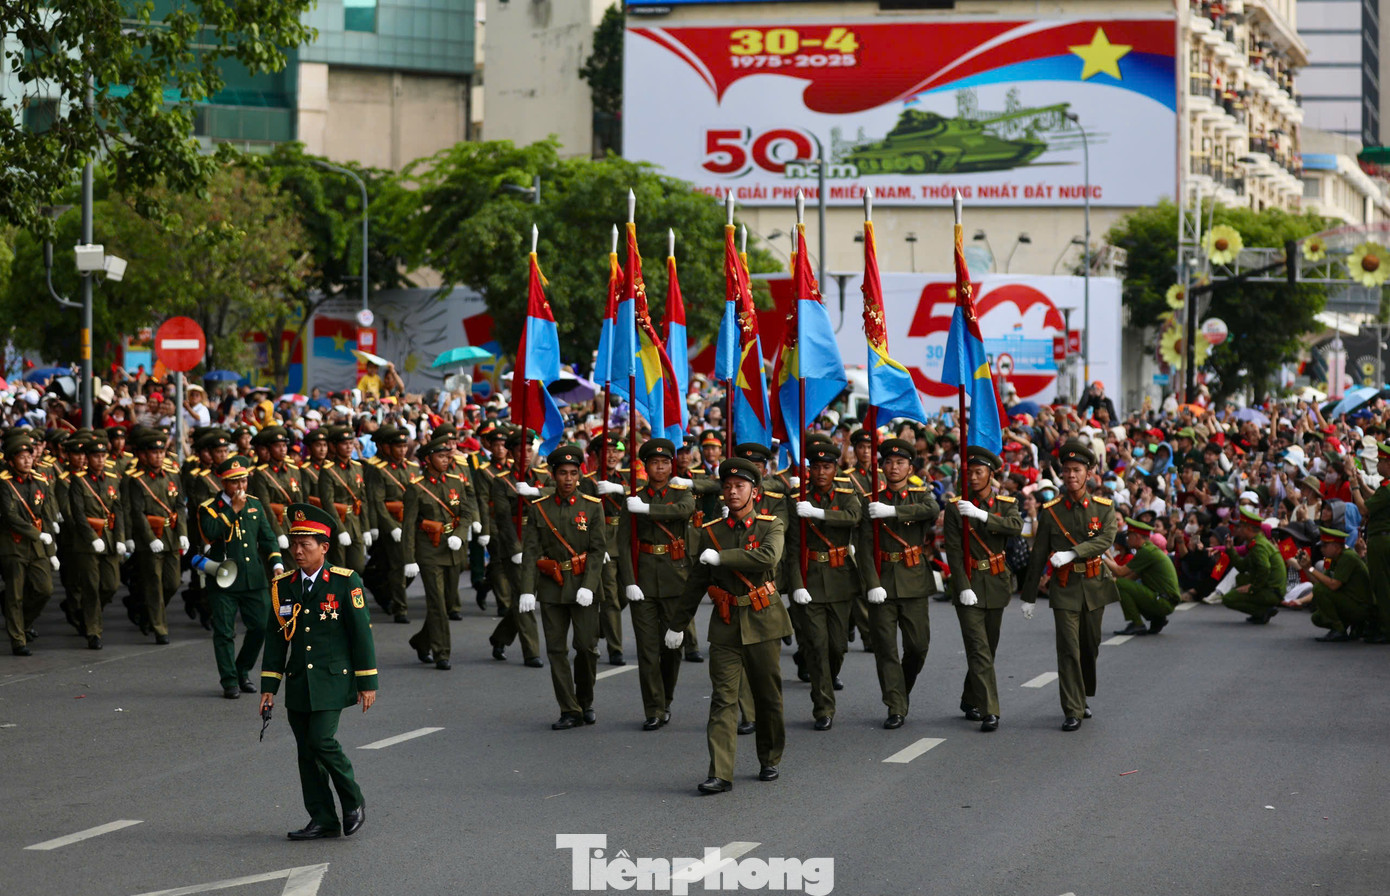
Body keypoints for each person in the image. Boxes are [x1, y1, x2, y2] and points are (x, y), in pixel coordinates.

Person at [665, 457, 792, 793]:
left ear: (755, 491)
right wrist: (678, 625)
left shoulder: (770, 525)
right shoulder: (711, 532)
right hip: (725, 624)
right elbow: (696, 582)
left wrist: (723, 558)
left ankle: (769, 757)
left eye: (740, 486)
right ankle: (721, 772)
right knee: (723, 699)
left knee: (767, 698)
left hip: (763, 621)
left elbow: (768, 557)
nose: (733, 491)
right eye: (728, 486)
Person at [259, 502, 377, 841]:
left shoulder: (344, 582)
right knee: (306, 753)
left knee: (322, 740)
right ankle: (323, 817)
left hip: (332, 679)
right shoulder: (283, 585)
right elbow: (277, 637)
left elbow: (361, 634)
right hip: (299, 681)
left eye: (305, 544)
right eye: (294, 543)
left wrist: (367, 682)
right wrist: (270, 684)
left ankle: (353, 800)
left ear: (324, 547)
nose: (297, 551)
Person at [1020, 438, 1119, 732]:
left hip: (1094, 583)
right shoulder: (1052, 512)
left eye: (1077, 470)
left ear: (1089, 473)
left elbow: (1106, 539)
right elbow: (1038, 554)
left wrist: (1074, 552)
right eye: (1067, 470)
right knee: (1067, 649)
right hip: (1064, 588)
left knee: (1090, 646)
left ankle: (1083, 693)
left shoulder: (1103, 508)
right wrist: (1028, 596)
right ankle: (1072, 707)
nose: (1071, 475)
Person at [518, 444, 606, 729]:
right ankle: (569, 709)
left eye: (573, 473)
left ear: (579, 475)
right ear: (553, 475)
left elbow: (597, 550)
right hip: (552, 586)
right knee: (556, 650)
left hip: (583, 586)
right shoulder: (540, 508)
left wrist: (589, 586)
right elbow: (531, 551)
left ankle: (586, 700)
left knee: (586, 648)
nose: (568, 479)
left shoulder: (592, 507)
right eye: (562, 473)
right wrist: (527, 590)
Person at [859, 438, 940, 730]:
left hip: (913, 579)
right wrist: (871, 583)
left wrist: (892, 512)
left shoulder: (920, 495)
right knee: (885, 648)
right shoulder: (870, 500)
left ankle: (900, 689)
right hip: (882, 579)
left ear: (910, 467)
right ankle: (895, 704)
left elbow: (931, 510)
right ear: (881, 466)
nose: (894, 467)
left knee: (918, 646)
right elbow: (864, 547)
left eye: (900, 462)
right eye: (889, 462)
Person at [616, 437, 695, 730]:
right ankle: (654, 708)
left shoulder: (680, 493)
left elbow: (683, 511)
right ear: (645, 466)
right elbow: (623, 543)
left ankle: (667, 698)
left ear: (671, 466)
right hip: (644, 579)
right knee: (648, 649)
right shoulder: (633, 498)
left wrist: (646, 510)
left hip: (676, 578)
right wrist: (629, 580)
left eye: (664, 463)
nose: (659, 467)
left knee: (671, 647)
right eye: (654, 463)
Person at [943, 446, 1023, 733]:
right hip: (970, 582)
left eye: (979, 472)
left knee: (988, 648)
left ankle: (970, 697)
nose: (973, 477)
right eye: (969, 472)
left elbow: (1016, 526)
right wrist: (962, 585)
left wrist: (981, 515)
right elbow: (953, 549)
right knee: (978, 649)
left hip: (997, 581)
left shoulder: (1005, 503)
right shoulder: (955, 507)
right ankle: (990, 710)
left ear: (992, 474)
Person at [786, 442, 862, 731]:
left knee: (837, 647)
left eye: (827, 467)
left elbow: (854, 517)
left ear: (835, 469)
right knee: (817, 645)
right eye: (815, 467)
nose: (820, 472)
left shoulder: (845, 495)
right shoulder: (797, 498)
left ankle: (826, 682)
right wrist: (796, 584)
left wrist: (818, 514)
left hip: (840, 577)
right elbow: (792, 548)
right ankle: (823, 706)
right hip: (810, 578)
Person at [199, 455, 284, 698]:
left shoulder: (255, 504)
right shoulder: (209, 508)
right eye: (235, 482)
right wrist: (232, 510)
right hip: (223, 578)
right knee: (225, 631)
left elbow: (267, 537)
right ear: (223, 483)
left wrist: (276, 561)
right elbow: (210, 533)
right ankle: (229, 681)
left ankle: (241, 670)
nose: (240, 486)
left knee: (260, 627)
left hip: (253, 578)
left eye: (244, 481)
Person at [402, 436, 477, 670]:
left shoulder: (456, 482)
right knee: (437, 603)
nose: (446, 460)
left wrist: (460, 534)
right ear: (427, 460)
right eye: (441, 456)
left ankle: (421, 642)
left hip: (453, 548)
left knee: (445, 601)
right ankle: (442, 652)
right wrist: (409, 558)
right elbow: (409, 526)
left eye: (447, 456)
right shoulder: (416, 488)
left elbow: (466, 514)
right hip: (429, 551)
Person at [125, 430, 188, 645]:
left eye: (162, 452)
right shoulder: (137, 480)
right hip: (149, 540)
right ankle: (160, 628)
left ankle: (145, 611)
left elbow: (179, 504)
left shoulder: (172, 475)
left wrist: (182, 533)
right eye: (154, 452)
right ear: (143, 455)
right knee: (154, 583)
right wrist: (150, 538)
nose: (159, 456)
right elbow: (137, 512)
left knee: (172, 582)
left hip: (170, 536)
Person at [0, 432, 58, 655]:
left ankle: (22, 624)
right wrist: (36, 534)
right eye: (21, 457)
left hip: (37, 546)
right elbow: (10, 515)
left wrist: (51, 550)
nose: (27, 460)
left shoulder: (41, 481)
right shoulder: (5, 484)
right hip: (13, 545)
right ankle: (18, 640)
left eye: (29, 456)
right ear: (11, 460)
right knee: (15, 594)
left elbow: (47, 515)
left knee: (44, 589)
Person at [68, 435, 127, 649]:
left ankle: (87, 612)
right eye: (96, 456)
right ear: (88, 458)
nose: (100, 460)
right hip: (88, 541)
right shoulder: (79, 480)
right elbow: (78, 514)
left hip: (109, 539)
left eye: (103, 456)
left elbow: (118, 510)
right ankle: (94, 632)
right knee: (92, 586)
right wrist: (92, 538)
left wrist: (120, 538)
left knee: (110, 585)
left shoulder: (112, 479)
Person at [1106, 517, 1180, 636]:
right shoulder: (1147, 550)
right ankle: (1157, 619)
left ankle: (1137, 624)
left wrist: (1100, 558)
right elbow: (1129, 578)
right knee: (1121, 584)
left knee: (1119, 584)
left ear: (1137, 537)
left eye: (1129, 536)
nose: (1127, 539)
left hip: (1163, 602)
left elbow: (1120, 572)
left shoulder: (1146, 552)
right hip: (1164, 600)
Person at [316, 426, 372, 574]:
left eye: (351, 443)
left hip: (355, 521)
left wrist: (366, 528)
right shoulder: (328, 470)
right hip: (337, 522)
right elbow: (327, 502)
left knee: (358, 566)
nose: (349, 447)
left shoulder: (358, 467)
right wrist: (340, 530)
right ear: (334, 446)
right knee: (338, 568)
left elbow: (363, 499)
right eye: (344, 443)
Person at [1349, 441, 1390, 642]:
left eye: (1382, 461)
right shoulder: (1386, 488)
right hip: (1382, 539)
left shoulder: (1388, 488)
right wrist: (1363, 485)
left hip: (1382, 541)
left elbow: (1365, 509)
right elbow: (1375, 498)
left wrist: (1354, 486)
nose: (1379, 465)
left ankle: (1386, 629)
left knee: (1382, 586)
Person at [1302, 526, 1373, 642]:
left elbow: (1333, 585)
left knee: (1320, 590)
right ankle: (1347, 625)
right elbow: (1320, 582)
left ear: (1336, 546)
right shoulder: (1338, 558)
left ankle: (1339, 629)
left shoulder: (1348, 557)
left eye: (1325, 546)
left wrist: (1311, 568)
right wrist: (1306, 567)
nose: (1321, 549)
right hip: (1352, 602)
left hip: (1362, 607)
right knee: (1317, 618)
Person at [1222, 506, 1285, 624]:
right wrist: (1230, 550)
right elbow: (1242, 566)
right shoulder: (1255, 542)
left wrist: (1252, 588)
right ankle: (1261, 610)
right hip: (1271, 588)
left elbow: (1265, 568)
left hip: (1272, 591)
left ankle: (1262, 611)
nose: (1238, 530)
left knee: (1228, 599)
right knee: (1240, 578)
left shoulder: (1258, 546)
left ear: (1249, 529)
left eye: (1241, 527)